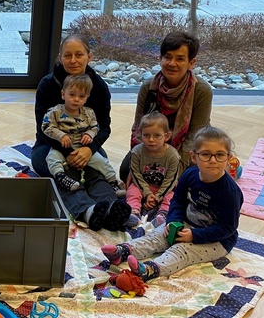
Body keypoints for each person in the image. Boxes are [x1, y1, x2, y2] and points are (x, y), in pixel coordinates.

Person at [101, 125, 243, 281]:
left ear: (228, 158)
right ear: (193, 157)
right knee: (157, 236)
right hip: (187, 224)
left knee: (181, 250)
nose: (213, 160)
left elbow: (227, 228)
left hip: (218, 240)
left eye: (220, 155)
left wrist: (195, 235)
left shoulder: (230, 192)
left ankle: (148, 270)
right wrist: (172, 221)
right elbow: (178, 201)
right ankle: (122, 252)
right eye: (206, 154)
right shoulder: (190, 174)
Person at [32, 34, 132, 232]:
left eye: (79, 55)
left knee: (97, 169)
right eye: (67, 55)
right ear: (60, 57)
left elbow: (104, 127)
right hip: (51, 145)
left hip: (86, 144)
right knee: (58, 172)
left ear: (89, 57)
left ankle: (111, 208)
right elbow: (42, 129)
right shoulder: (47, 85)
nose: (73, 60)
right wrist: (68, 153)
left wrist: (89, 149)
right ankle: (87, 211)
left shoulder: (99, 87)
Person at [120, 31, 212, 180]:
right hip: (153, 145)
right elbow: (138, 129)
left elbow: (193, 138)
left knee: (192, 178)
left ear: (191, 63)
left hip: (187, 149)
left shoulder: (201, 91)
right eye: (167, 57)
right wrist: (139, 164)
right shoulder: (148, 87)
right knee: (126, 171)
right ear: (160, 59)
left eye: (180, 59)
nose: (172, 63)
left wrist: (174, 174)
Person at [42, 74, 124, 194]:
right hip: (61, 147)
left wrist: (89, 134)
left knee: (102, 161)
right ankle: (61, 177)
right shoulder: (54, 112)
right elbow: (46, 126)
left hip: (82, 146)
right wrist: (60, 135)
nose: (76, 99)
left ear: (86, 98)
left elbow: (95, 127)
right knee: (52, 158)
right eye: (72, 95)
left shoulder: (89, 113)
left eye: (81, 96)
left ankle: (113, 183)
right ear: (63, 94)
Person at [125, 111, 182, 228]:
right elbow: (136, 175)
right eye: (146, 135)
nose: (151, 139)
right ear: (140, 135)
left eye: (157, 135)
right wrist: (147, 193)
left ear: (167, 136)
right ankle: (133, 212)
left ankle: (162, 215)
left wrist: (158, 196)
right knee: (132, 191)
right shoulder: (136, 152)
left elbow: (171, 179)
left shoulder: (173, 155)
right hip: (143, 184)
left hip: (163, 187)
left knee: (171, 196)